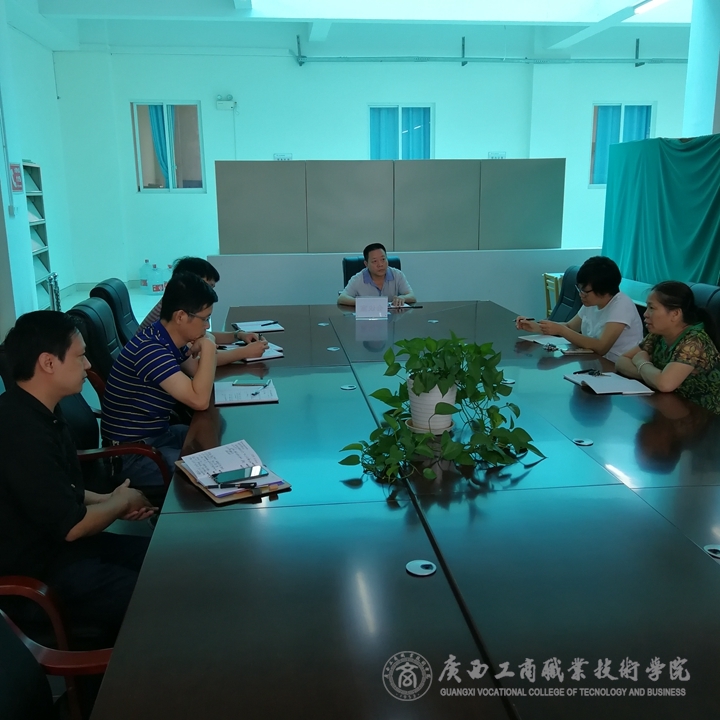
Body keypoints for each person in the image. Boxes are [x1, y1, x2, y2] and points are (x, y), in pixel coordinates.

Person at [0, 311, 155, 643]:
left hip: (68, 552)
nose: (88, 365)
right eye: (80, 356)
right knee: (163, 593)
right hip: (41, 577)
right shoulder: (20, 432)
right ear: (48, 363)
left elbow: (59, 488)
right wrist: (120, 503)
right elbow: (71, 526)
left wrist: (109, 500)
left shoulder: (40, 411)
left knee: (167, 560)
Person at [101, 272, 219, 486]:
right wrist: (209, 346)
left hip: (158, 436)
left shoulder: (163, 337)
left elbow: (195, 370)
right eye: (205, 319)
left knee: (219, 440)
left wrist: (207, 343)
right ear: (181, 316)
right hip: (132, 454)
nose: (207, 326)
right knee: (209, 471)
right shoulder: (151, 349)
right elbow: (199, 400)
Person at [139, 257, 268, 364]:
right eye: (208, 286)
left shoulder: (173, 303)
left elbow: (204, 334)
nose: (209, 292)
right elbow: (198, 362)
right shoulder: (172, 317)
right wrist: (245, 352)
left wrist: (238, 335)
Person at [615, 281, 720, 413]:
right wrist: (652, 376)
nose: (645, 314)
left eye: (652, 308)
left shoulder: (695, 341)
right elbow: (621, 361)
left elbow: (665, 384)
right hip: (671, 407)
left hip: (704, 416)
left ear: (675, 314)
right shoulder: (658, 334)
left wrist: (642, 362)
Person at [515, 256, 643, 361]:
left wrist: (561, 330)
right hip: (594, 362)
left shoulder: (621, 305)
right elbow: (570, 326)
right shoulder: (591, 303)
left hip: (617, 369)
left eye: (585, 291)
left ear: (604, 290)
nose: (581, 294)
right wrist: (537, 327)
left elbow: (601, 347)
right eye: (579, 289)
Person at [338, 243, 416, 307]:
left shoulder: (397, 275)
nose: (380, 264)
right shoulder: (358, 279)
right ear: (366, 264)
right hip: (367, 319)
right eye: (375, 261)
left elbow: (412, 296)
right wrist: (364, 303)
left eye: (383, 259)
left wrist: (402, 298)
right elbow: (342, 298)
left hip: (392, 319)